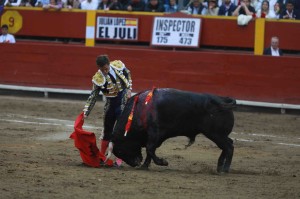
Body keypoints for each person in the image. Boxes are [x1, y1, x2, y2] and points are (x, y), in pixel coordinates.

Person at [83, 54, 133, 166]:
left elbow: (127, 73)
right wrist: (86, 111)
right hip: (111, 103)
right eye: (102, 69)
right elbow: (93, 96)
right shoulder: (98, 78)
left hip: (123, 101)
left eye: (106, 68)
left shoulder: (118, 66)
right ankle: (101, 156)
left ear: (109, 64)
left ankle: (120, 158)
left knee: (121, 131)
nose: (105, 71)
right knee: (107, 131)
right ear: (99, 67)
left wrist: (129, 89)